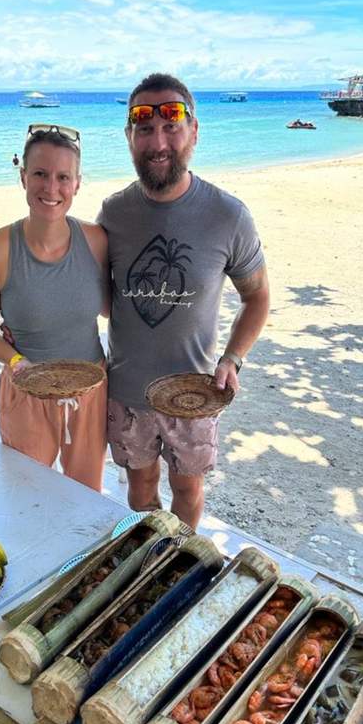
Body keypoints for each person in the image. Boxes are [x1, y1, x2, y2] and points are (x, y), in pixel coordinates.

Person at [99, 73, 270, 528]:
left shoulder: (228, 215)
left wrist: (233, 358)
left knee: (188, 490)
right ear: (129, 138)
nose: (158, 141)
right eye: (144, 127)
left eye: (171, 125)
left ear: (194, 131)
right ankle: (148, 554)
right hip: (127, 391)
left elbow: (257, 297)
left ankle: (180, 561)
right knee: (139, 488)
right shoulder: (112, 214)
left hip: (194, 394)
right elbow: (93, 296)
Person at [0, 124, 109, 490]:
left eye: (63, 177)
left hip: (90, 391)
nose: (51, 188)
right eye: (40, 175)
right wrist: (17, 361)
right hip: (26, 390)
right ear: (23, 177)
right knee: (27, 497)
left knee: (85, 499)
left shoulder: (96, 241)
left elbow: (113, 309)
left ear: (78, 183)